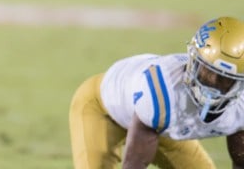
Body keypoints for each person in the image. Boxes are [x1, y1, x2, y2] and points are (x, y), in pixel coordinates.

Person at [69, 16, 244, 168]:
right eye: (206, 71)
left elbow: (240, 161)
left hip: (160, 124)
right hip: (101, 109)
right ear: (192, 62)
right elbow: (133, 165)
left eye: (224, 79)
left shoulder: (240, 107)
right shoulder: (163, 93)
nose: (211, 84)